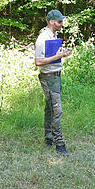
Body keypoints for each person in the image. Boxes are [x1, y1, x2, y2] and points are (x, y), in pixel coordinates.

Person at [34, 9, 73, 156]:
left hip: (56, 76)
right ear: (51, 22)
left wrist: (63, 54)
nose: (62, 24)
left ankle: (48, 137)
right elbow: (38, 61)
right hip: (48, 77)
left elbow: (53, 57)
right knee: (57, 110)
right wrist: (59, 55)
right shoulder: (43, 38)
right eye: (59, 22)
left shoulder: (54, 36)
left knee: (50, 108)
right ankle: (59, 144)